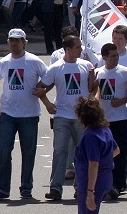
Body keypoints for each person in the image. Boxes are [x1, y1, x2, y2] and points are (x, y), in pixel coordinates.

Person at [70, 96, 127, 214]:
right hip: (106, 179)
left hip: (91, 182)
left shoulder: (90, 136)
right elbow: (116, 150)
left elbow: (93, 164)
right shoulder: (105, 130)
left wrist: (89, 192)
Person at [0, 28, 50, 200]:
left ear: (24, 42)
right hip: (8, 113)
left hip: (29, 114)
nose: (14, 43)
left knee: (28, 152)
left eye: (17, 40)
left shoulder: (34, 61)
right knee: (4, 149)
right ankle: (2, 189)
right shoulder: (3, 62)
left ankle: (26, 188)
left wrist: (43, 93)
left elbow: (48, 79)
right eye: (11, 40)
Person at [37, 36, 97, 200]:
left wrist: (92, 80)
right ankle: (56, 188)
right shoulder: (56, 68)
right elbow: (40, 88)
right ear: (68, 49)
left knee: (81, 153)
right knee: (60, 150)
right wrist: (48, 103)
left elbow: (93, 87)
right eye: (77, 47)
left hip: (81, 117)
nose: (81, 50)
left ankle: (81, 188)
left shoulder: (86, 66)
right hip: (62, 115)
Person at [95, 43, 127, 200]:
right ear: (105, 57)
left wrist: (125, 99)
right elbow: (93, 91)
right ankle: (104, 183)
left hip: (120, 118)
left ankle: (118, 184)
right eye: (112, 56)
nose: (116, 58)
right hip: (103, 120)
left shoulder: (124, 72)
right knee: (104, 154)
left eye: (117, 55)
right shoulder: (99, 73)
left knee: (120, 153)